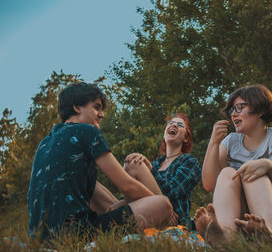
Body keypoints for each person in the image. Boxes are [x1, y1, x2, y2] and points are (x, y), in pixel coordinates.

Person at [27, 82, 176, 241]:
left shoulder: (45, 142)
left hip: (39, 238)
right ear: (77, 107)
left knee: (92, 184)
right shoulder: (87, 131)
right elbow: (127, 186)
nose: (101, 114)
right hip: (77, 234)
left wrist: (121, 205)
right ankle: (168, 224)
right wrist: (163, 208)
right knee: (162, 204)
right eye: (96, 107)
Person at [194, 84, 272, 246]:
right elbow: (209, 184)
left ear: (260, 109)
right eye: (231, 110)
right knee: (227, 173)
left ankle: (270, 234)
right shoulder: (230, 141)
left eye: (239, 108)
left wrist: (267, 165)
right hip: (244, 218)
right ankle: (226, 237)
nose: (233, 114)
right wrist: (214, 142)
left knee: (254, 172)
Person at [123, 113, 201, 226]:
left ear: (186, 138)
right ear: (164, 134)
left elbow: (172, 192)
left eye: (180, 125)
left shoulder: (190, 162)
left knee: (134, 164)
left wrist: (149, 169)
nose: (174, 126)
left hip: (174, 221)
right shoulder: (156, 164)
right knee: (108, 199)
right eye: (171, 123)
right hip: (147, 213)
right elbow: (136, 192)